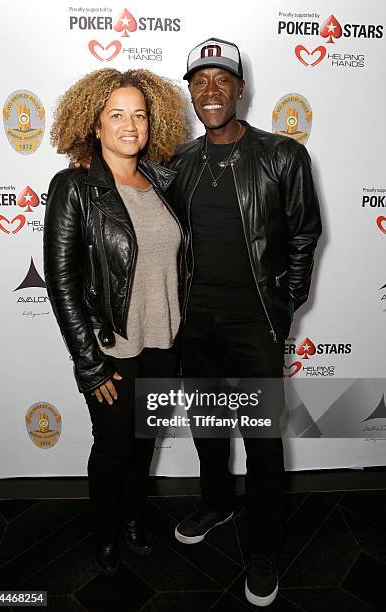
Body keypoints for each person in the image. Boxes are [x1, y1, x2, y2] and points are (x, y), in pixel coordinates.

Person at [167, 38, 322, 607]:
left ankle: (263, 544)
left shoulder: (283, 156)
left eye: (222, 80)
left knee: (260, 441)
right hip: (195, 325)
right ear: (189, 91)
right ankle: (216, 502)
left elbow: (305, 234)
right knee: (208, 430)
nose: (211, 91)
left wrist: (285, 307)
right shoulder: (178, 162)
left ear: (240, 87)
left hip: (255, 326)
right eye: (199, 81)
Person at [43, 68, 188, 575]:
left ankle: (132, 520)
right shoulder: (74, 187)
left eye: (140, 115)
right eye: (117, 115)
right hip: (111, 352)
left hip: (164, 345)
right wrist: (89, 363)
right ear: (95, 124)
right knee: (113, 450)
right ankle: (104, 532)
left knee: (144, 443)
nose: (131, 126)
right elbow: (62, 283)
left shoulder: (165, 180)